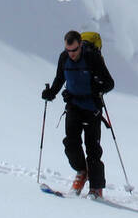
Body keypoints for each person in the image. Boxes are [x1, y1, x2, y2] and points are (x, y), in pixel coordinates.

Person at [42, 30, 115, 197]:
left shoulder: (92, 58)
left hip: (91, 107)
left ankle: (96, 187)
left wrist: (95, 88)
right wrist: (51, 93)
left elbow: (109, 83)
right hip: (74, 105)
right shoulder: (64, 58)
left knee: (93, 148)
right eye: (68, 51)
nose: (71, 54)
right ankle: (82, 172)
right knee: (71, 143)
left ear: (80, 45)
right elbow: (60, 79)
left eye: (74, 50)